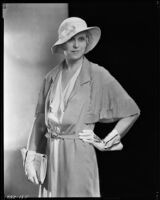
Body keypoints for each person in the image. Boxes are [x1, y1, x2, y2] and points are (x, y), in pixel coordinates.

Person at [23, 17, 140, 197]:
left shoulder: (98, 74)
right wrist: (31, 156)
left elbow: (131, 111)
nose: (76, 45)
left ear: (86, 43)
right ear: (62, 44)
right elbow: (40, 120)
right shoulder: (51, 77)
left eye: (81, 39)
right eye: (71, 39)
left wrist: (106, 143)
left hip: (79, 157)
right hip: (51, 156)